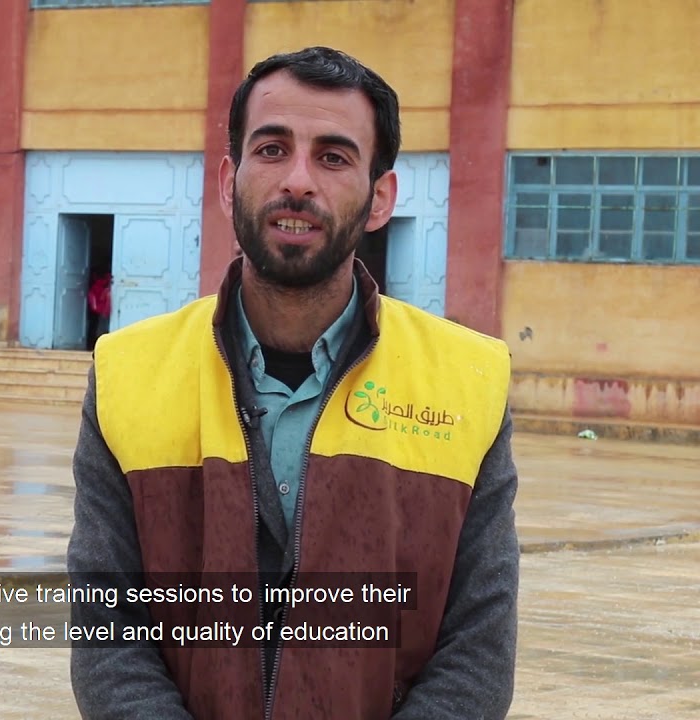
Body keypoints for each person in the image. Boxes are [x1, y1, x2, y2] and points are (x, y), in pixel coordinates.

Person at [68, 47, 519, 720]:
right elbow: (109, 633)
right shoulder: (129, 373)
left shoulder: (466, 379)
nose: (298, 181)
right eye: (272, 149)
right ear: (230, 182)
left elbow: (476, 654)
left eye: (333, 157)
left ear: (380, 198)